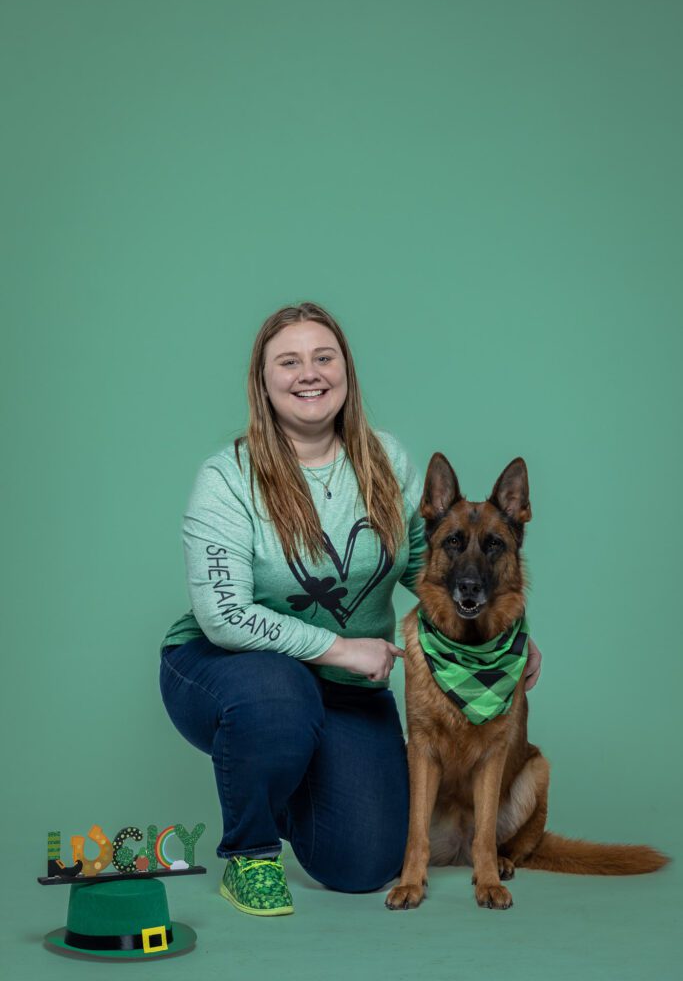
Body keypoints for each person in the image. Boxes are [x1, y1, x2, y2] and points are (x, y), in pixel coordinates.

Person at [159, 301, 542, 917]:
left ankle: (294, 762)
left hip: (344, 688)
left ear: (346, 372)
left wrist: (509, 641)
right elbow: (223, 614)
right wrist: (340, 648)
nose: (308, 373)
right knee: (279, 696)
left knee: (365, 863)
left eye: (323, 357)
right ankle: (250, 854)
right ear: (263, 381)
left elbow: (437, 568)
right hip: (230, 669)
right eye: (288, 361)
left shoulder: (386, 460)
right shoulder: (227, 477)